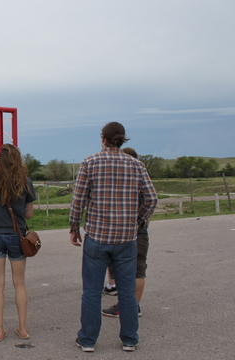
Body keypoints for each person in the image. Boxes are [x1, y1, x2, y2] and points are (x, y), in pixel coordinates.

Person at [69, 122, 157, 353]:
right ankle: (130, 338)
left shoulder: (90, 163)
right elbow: (152, 198)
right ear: (122, 139)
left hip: (98, 236)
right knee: (127, 290)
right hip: (127, 238)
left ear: (103, 138)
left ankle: (87, 340)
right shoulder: (136, 165)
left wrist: (74, 226)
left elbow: (78, 199)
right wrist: (138, 220)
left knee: (91, 290)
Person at [0, 144, 36, 341]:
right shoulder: (26, 182)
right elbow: (28, 214)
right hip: (16, 235)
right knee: (19, 283)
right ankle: (22, 329)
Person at [103, 147, 150, 318]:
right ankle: (134, 306)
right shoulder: (142, 180)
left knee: (122, 270)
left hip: (121, 232)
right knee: (138, 270)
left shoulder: (120, 183)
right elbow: (151, 201)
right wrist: (141, 221)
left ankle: (123, 305)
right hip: (140, 230)